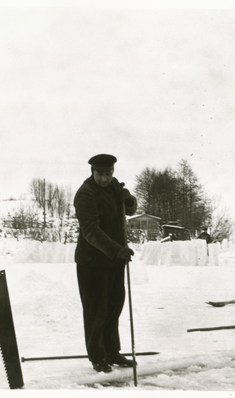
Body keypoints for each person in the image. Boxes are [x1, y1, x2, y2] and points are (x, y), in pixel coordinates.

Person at [73, 154, 138, 373]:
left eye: (108, 174)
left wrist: (128, 199)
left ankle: (112, 352)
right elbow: (91, 231)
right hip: (92, 262)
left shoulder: (113, 188)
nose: (104, 178)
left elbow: (129, 210)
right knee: (96, 310)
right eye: (100, 174)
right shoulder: (85, 194)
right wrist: (116, 250)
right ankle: (97, 356)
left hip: (113, 261)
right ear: (93, 172)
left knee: (113, 306)